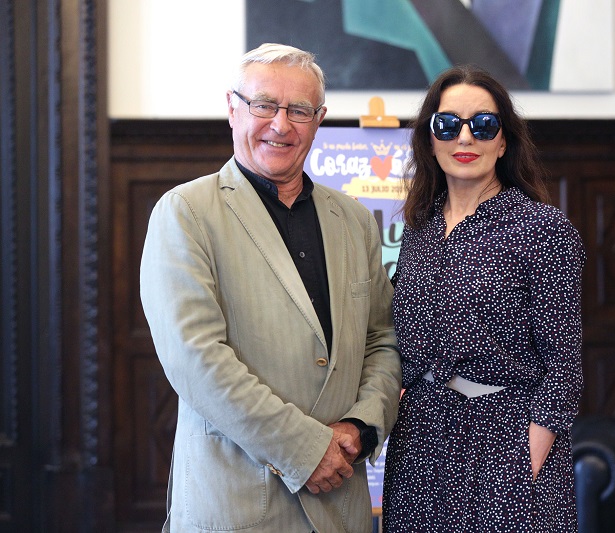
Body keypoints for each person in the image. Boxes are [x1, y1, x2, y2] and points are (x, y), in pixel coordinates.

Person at [140, 43, 402, 533]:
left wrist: (360, 427)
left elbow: (382, 340)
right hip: (239, 503)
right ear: (232, 108)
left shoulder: (355, 220)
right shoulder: (185, 213)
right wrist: (306, 449)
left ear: (319, 120)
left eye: (299, 110)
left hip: (341, 500)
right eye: (264, 105)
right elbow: (196, 358)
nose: (281, 125)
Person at [382, 65, 585, 532]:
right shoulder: (419, 229)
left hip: (506, 442)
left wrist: (522, 464)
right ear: (430, 139)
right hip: (420, 443)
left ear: (504, 141)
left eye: (484, 124)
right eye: (448, 124)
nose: (465, 137)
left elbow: (563, 368)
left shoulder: (543, 231)